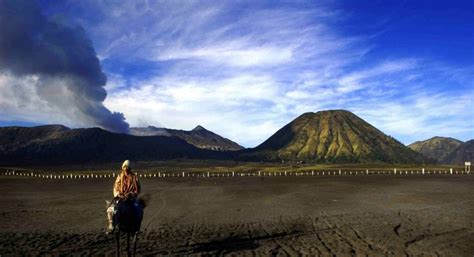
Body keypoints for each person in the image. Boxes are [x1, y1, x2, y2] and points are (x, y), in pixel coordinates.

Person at [106, 160, 141, 234]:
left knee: (137, 208)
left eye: (127, 168)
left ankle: (136, 227)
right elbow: (115, 187)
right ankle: (111, 225)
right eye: (124, 168)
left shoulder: (134, 177)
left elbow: (138, 189)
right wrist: (118, 194)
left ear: (129, 169)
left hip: (131, 197)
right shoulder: (119, 177)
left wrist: (131, 194)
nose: (126, 170)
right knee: (110, 208)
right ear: (122, 168)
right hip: (120, 197)